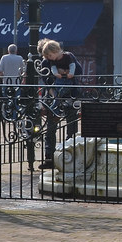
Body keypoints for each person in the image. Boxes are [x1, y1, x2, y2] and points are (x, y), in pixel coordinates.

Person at [38, 39, 83, 169]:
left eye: (48, 54)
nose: (47, 57)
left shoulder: (68, 56)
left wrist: (64, 71)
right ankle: (52, 158)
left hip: (68, 95)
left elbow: (78, 70)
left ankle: (68, 156)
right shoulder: (47, 62)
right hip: (56, 96)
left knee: (69, 127)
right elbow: (46, 78)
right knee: (56, 127)